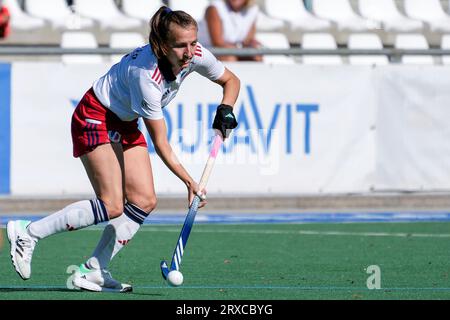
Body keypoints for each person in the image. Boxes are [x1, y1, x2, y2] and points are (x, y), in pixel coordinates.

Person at [6, 6, 239, 293]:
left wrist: (225, 109)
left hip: (125, 121)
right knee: (112, 204)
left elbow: (231, 80)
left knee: (143, 200)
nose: (190, 52)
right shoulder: (147, 78)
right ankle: (28, 233)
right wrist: (189, 181)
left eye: (193, 42)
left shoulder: (196, 54)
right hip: (95, 116)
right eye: (181, 45)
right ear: (163, 45)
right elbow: (161, 143)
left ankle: (94, 270)